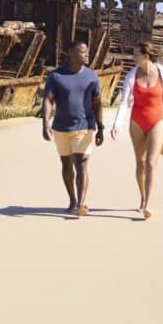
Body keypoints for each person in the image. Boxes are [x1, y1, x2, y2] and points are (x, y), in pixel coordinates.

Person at [110, 43, 163, 219]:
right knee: (140, 162)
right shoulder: (131, 76)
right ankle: (142, 197)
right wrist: (117, 125)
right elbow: (124, 102)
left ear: (146, 56)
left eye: (136, 54)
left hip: (157, 120)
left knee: (151, 163)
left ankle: (147, 205)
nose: (133, 57)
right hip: (137, 122)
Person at [41, 40, 105, 216]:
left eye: (87, 52)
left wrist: (100, 128)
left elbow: (97, 103)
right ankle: (72, 200)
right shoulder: (56, 76)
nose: (87, 55)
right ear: (71, 53)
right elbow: (48, 99)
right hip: (61, 127)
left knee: (82, 162)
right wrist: (45, 123)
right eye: (83, 52)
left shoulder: (92, 77)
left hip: (85, 126)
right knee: (66, 165)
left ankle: (82, 203)